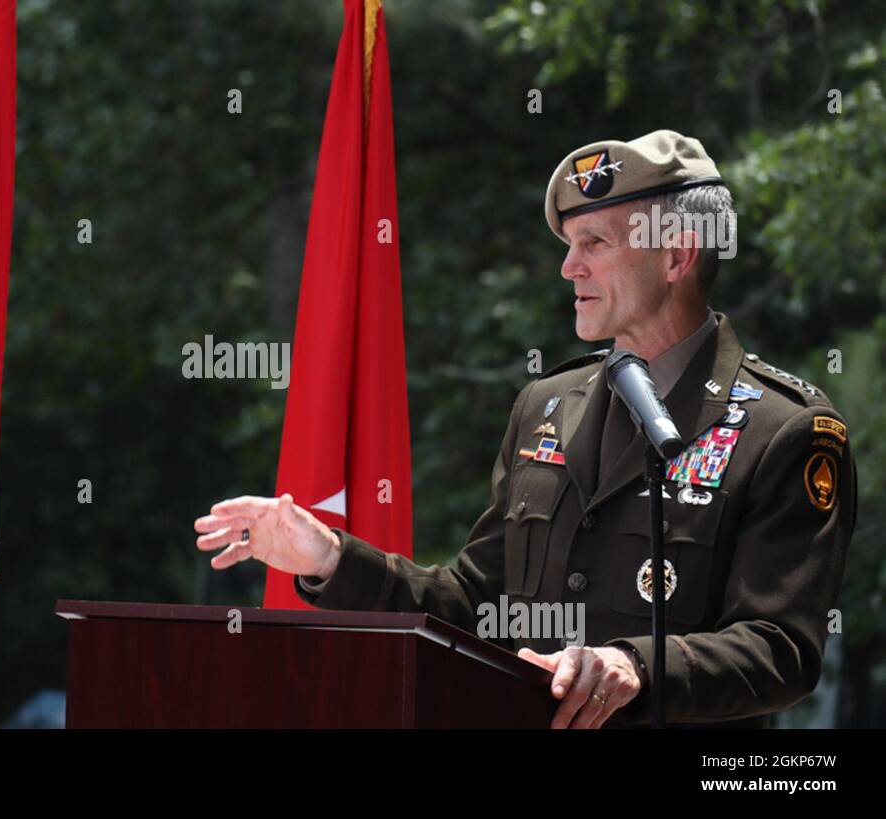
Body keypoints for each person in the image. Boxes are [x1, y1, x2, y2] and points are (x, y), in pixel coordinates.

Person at [193, 130, 857, 728]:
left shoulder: (785, 430)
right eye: (570, 246)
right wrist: (330, 557)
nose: (570, 267)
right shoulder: (547, 403)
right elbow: (472, 604)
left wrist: (635, 666)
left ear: (678, 254)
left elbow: (781, 649)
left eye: (595, 243)